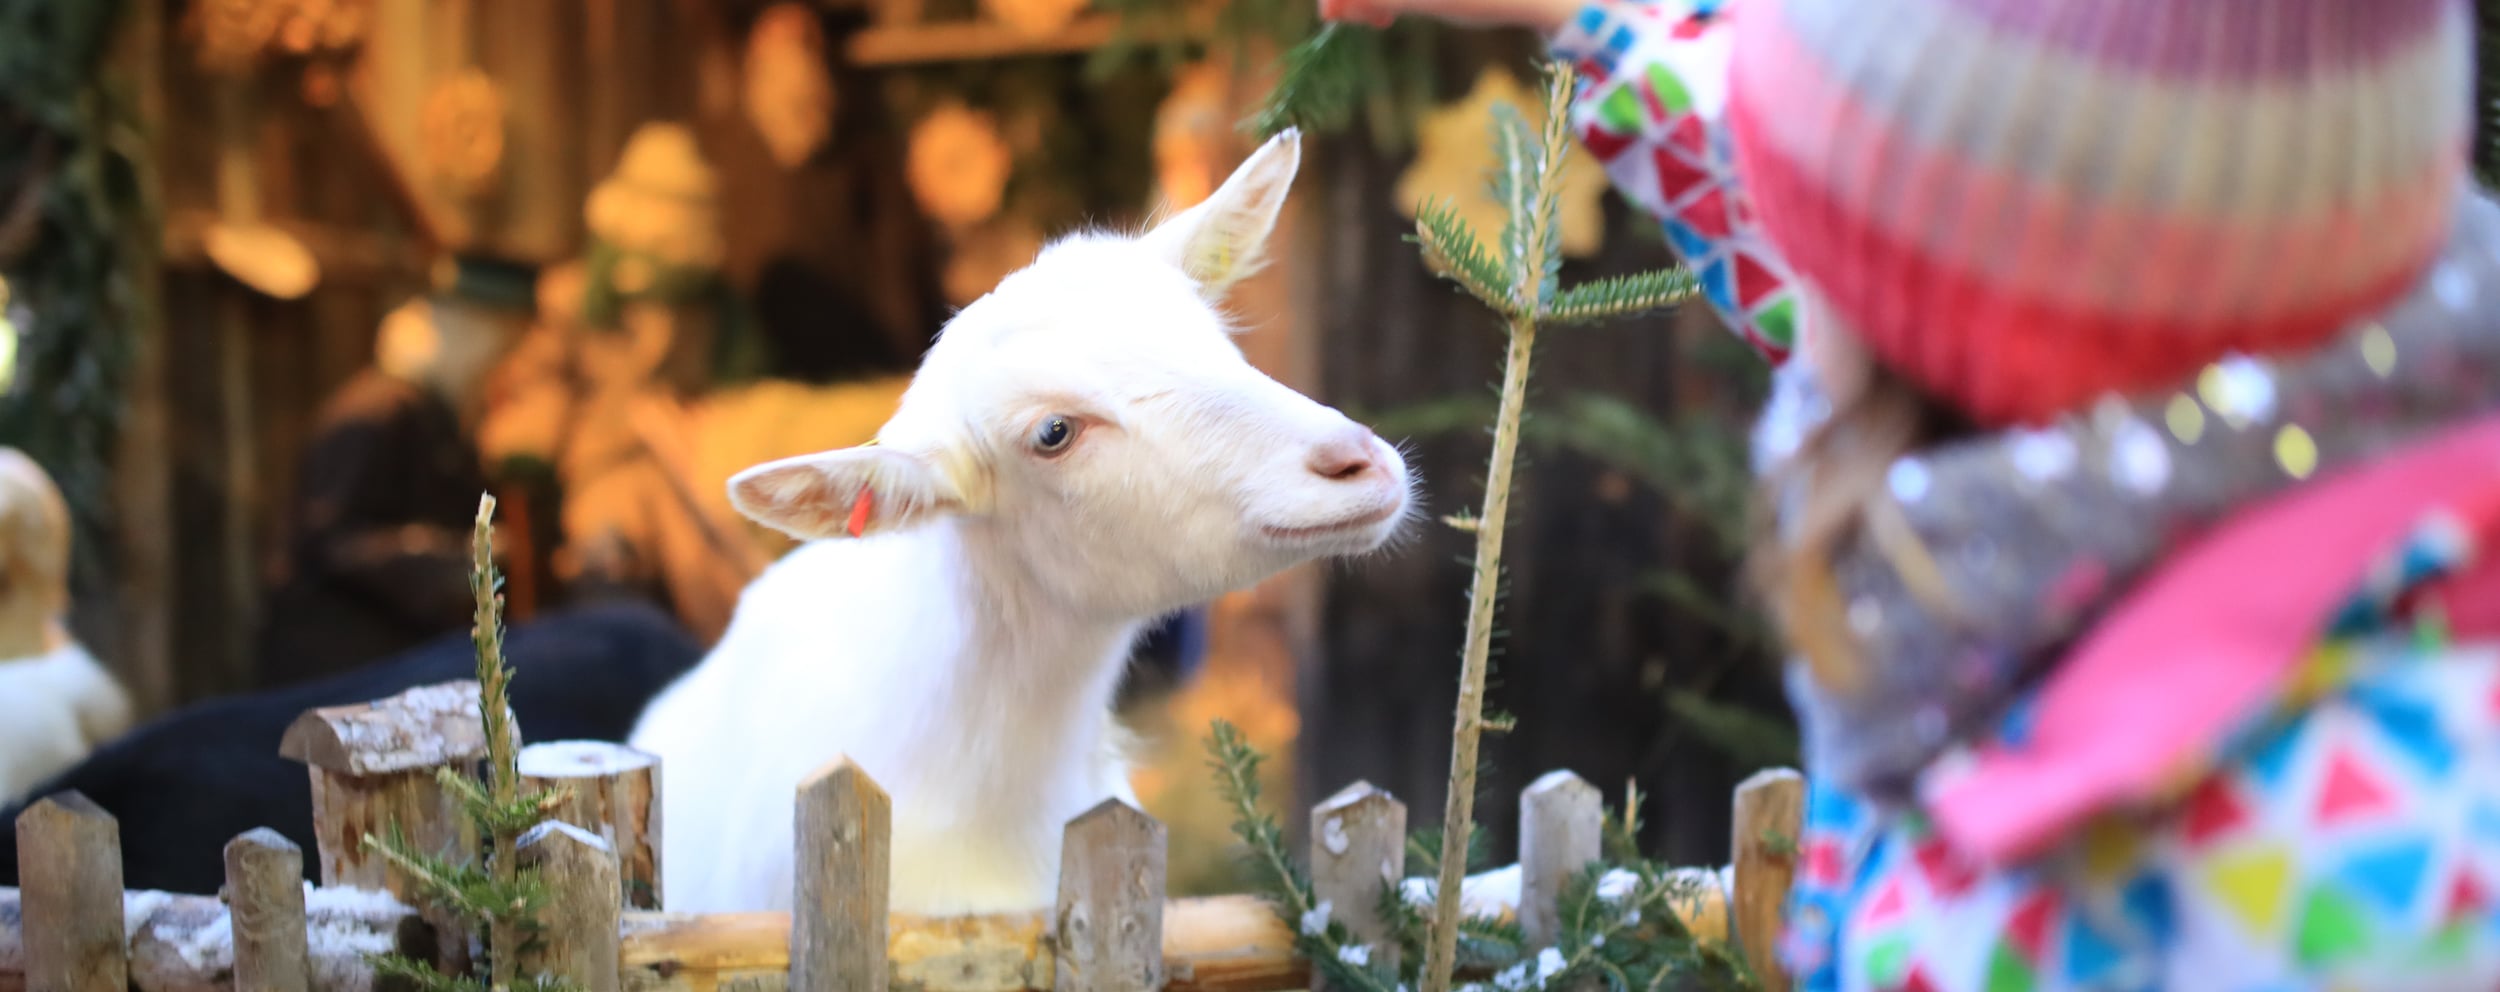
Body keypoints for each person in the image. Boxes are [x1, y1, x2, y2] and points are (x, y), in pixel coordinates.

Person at [1322, 0, 2499, 987]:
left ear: (1959, 339)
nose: (1790, 268)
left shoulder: (2350, 868)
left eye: (1823, 252)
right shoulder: (2225, 403)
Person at [255, 256, 535, 687]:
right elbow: (330, 541)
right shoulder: (375, 414)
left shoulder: (438, 419)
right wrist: (447, 559)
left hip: (396, 664)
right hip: (344, 670)